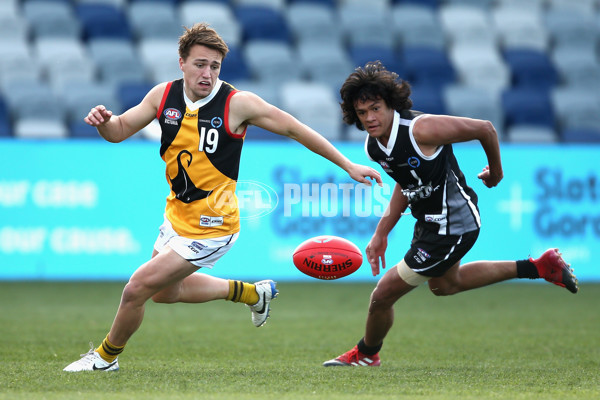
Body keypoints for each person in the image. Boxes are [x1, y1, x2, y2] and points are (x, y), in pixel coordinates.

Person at [63, 23, 382, 372]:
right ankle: (251, 293)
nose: (207, 73)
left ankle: (106, 358)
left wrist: (348, 164)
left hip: (214, 226)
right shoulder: (162, 96)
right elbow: (119, 131)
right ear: (181, 62)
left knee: (135, 288)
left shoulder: (237, 103)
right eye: (200, 64)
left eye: (214, 66)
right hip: (177, 217)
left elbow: (295, 128)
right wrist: (104, 122)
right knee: (163, 293)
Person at [322, 61, 579, 367]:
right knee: (445, 285)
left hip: (453, 224)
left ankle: (366, 353)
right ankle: (540, 266)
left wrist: (495, 171)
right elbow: (406, 185)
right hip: (431, 222)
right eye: (362, 113)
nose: (370, 118)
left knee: (383, 294)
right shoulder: (374, 147)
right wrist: (381, 233)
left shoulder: (422, 129)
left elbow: (485, 128)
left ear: (391, 104)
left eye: (376, 108)